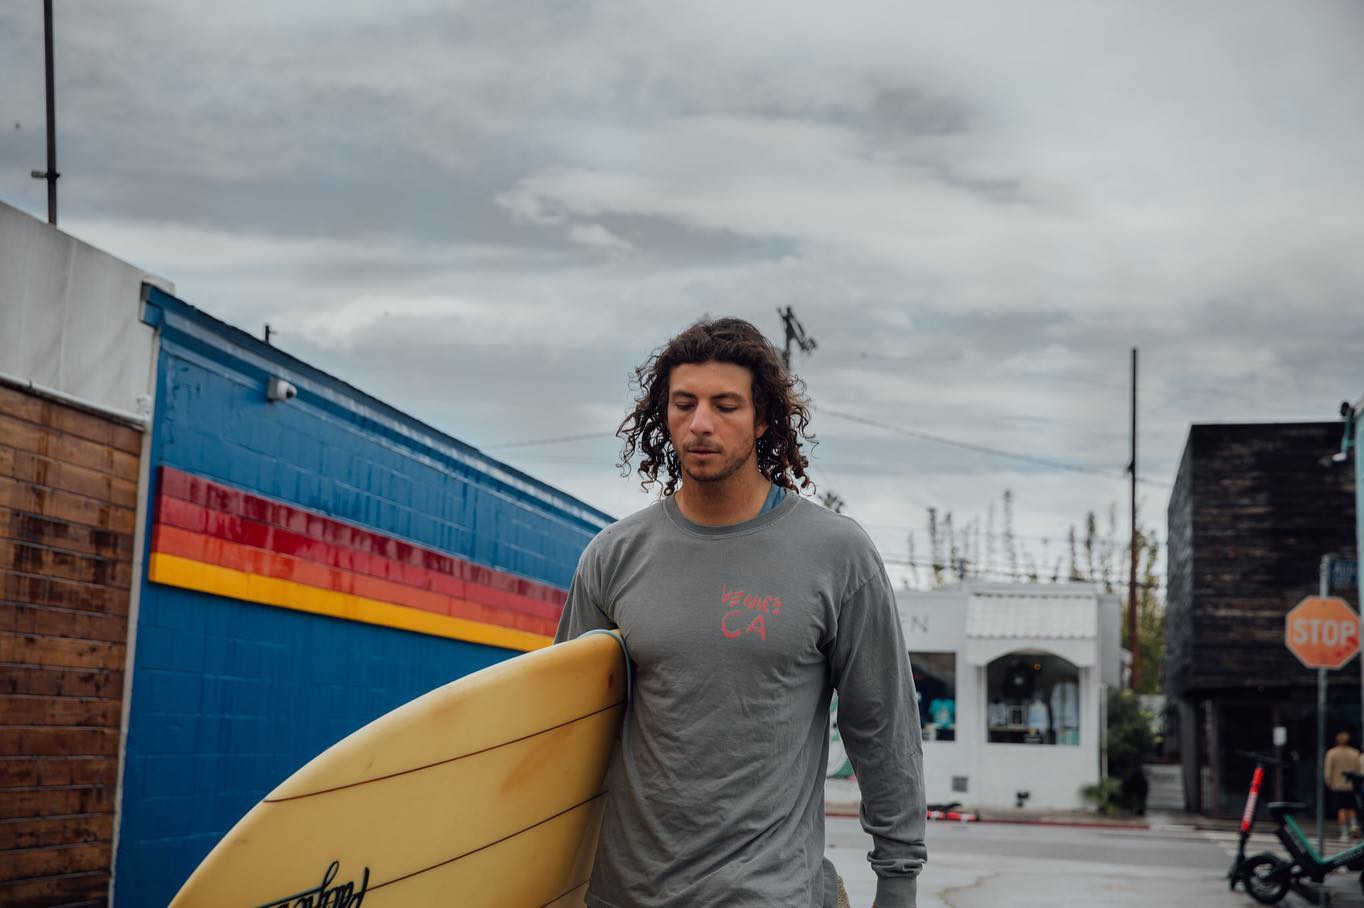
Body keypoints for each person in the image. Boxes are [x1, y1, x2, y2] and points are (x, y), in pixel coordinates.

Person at [555, 317, 926, 907]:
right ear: (664, 415)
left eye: (725, 405)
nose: (701, 423)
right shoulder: (614, 556)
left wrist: (898, 879)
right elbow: (567, 729)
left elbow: (882, 726)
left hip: (767, 891)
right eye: (684, 404)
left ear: (762, 419)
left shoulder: (837, 554)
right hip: (625, 893)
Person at [1324, 730, 1362, 840]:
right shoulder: (1355, 753)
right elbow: (1358, 769)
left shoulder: (1332, 753)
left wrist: (1328, 781)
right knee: (1351, 807)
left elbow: (1328, 769)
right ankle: (1353, 825)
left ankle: (1344, 833)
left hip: (1337, 785)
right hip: (1351, 785)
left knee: (1341, 809)